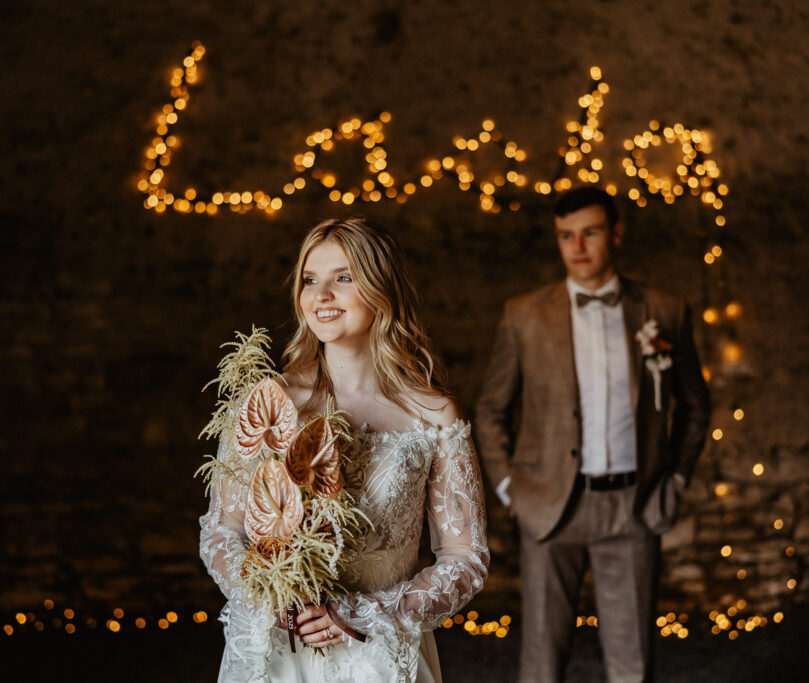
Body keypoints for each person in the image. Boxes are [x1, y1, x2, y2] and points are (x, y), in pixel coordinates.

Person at [199, 217, 489, 682]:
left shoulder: (434, 415)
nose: (321, 296)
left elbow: (465, 556)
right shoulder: (271, 403)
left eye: (344, 278)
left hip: (378, 653)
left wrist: (369, 615)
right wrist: (270, 596)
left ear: (382, 289)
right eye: (310, 280)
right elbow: (221, 531)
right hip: (282, 651)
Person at [475, 187, 710, 682]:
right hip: (550, 504)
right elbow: (491, 409)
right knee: (542, 662)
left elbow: (694, 406)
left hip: (633, 503)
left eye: (590, 233)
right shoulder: (524, 315)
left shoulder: (663, 311)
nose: (577, 247)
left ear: (616, 234)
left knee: (633, 664)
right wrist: (509, 489)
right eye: (566, 236)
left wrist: (678, 480)